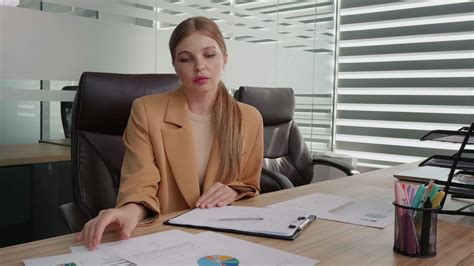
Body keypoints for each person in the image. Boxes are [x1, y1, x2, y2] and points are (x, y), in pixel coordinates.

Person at [77, 16, 264, 250]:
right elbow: (140, 185)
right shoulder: (146, 111)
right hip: (167, 239)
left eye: (209, 55)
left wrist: (233, 191)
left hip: (225, 239)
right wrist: (128, 211)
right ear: (175, 66)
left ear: (224, 59)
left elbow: (249, 184)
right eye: (186, 59)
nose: (199, 66)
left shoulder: (249, 118)